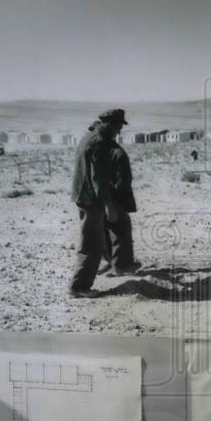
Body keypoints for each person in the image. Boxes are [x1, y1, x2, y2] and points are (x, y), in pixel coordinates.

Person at [69, 108, 139, 298]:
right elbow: (98, 178)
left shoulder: (89, 137)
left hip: (85, 196)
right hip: (91, 199)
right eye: (117, 127)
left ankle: (105, 268)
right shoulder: (98, 143)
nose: (118, 131)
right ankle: (79, 287)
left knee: (94, 239)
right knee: (91, 243)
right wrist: (108, 205)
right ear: (109, 124)